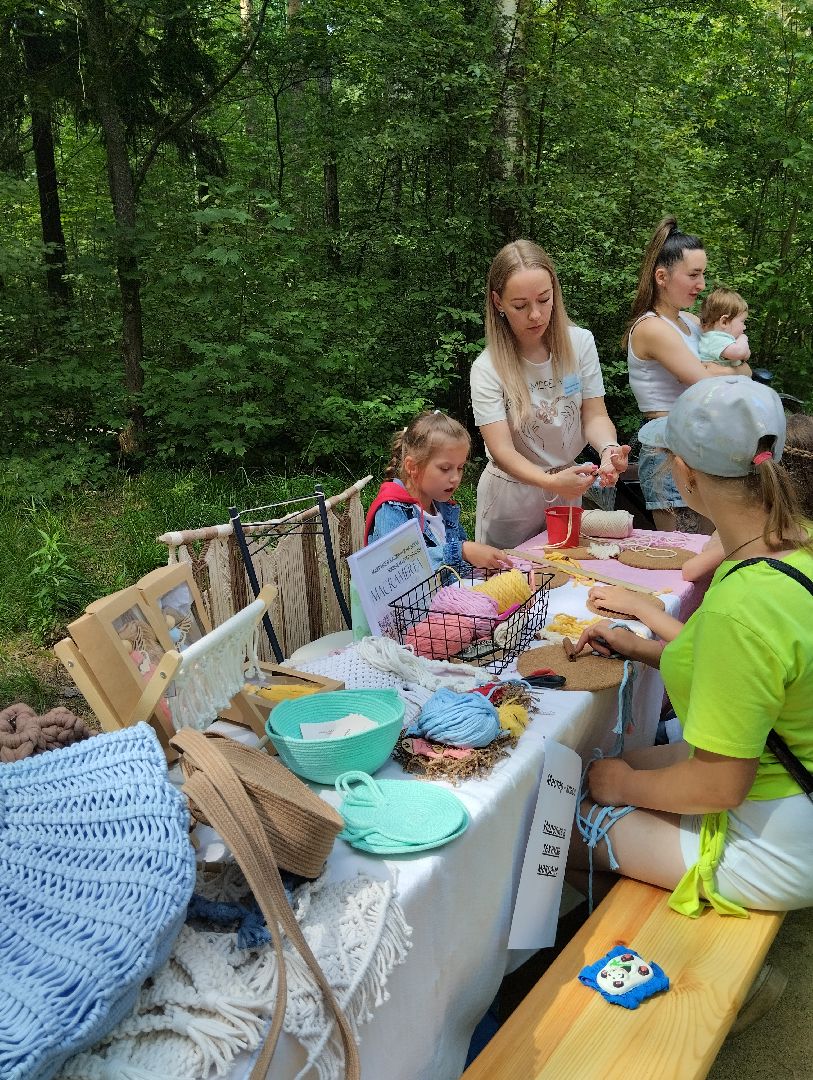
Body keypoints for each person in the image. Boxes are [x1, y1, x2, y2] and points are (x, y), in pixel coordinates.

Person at [568, 377, 813, 919]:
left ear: (685, 474)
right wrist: (638, 642)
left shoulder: (739, 604)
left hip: (775, 845)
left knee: (554, 826)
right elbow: (740, 674)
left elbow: (719, 783)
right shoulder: (789, 550)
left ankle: (677, 962)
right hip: (790, 792)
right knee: (612, 767)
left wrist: (627, 785)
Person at [470, 239, 629, 550]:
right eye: (520, 305)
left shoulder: (580, 343)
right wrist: (550, 481)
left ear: (555, 290)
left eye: (544, 299)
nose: (535, 315)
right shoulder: (487, 367)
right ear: (498, 302)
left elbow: (594, 414)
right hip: (512, 498)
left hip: (568, 484)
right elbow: (502, 451)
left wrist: (609, 449)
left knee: (564, 578)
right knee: (510, 585)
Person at [624, 217, 739, 533]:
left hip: (700, 444)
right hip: (666, 447)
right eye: (693, 275)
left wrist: (727, 370)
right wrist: (723, 371)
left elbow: (740, 369)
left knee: (710, 547)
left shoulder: (689, 321)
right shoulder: (651, 328)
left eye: (703, 274)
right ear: (662, 276)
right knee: (680, 552)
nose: (701, 284)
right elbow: (707, 380)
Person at [364, 411, 512, 573]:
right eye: (445, 469)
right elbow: (398, 567)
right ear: (412, 467)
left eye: (460, 467)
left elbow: (459, 568)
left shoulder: (443, 507)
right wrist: (461, 551)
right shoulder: (392, 510)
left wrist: (478, 566)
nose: (455, 477)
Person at [697, 287, 752, 372]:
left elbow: (746, 355)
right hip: (720, 384)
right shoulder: (714, 338)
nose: (744, 327)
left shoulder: (723, 339)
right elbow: (740, 353)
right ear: (724, 322)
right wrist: (743, 338)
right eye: (742, 322)